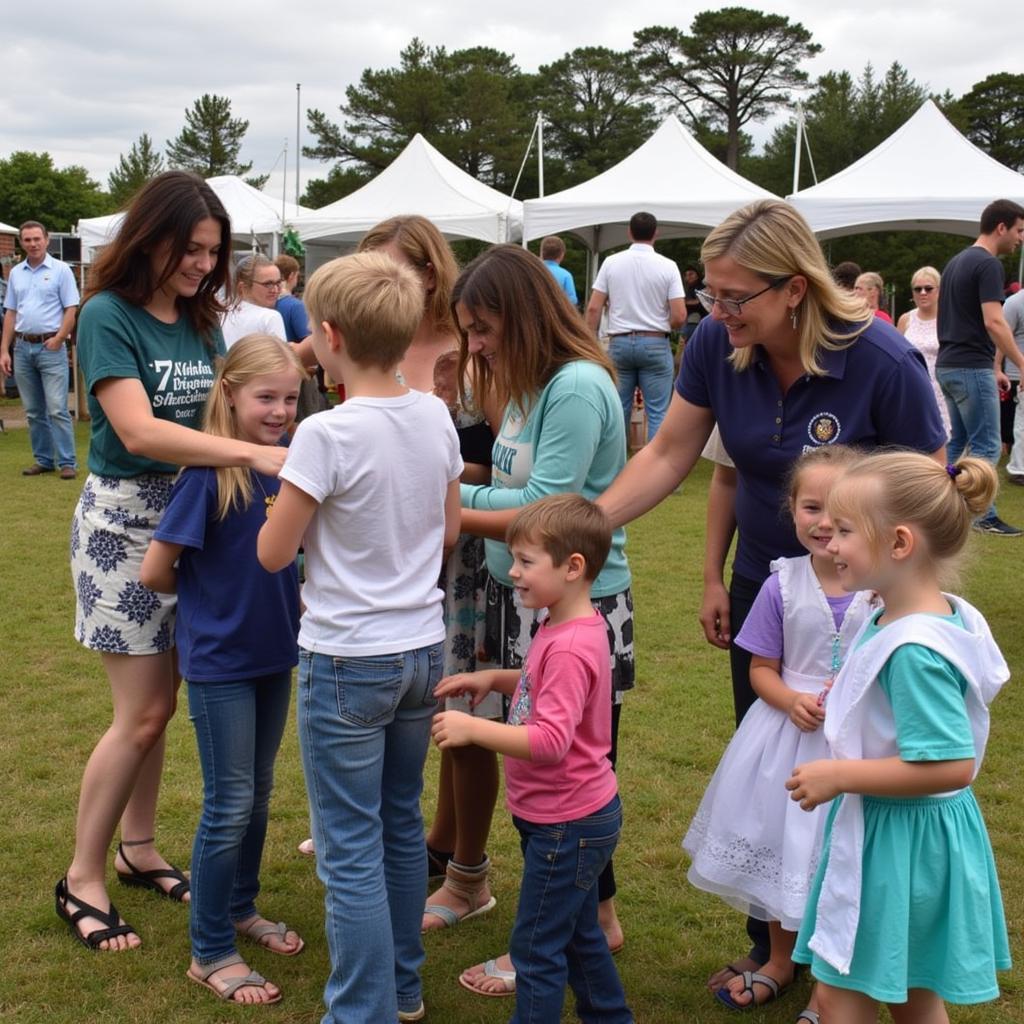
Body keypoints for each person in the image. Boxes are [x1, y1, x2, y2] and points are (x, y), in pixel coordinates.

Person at [595, 199, 946, 991]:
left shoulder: (883, 360)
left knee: (856, 773)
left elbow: (930, 487)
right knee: (778, 771)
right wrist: (589, 526)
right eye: (709, 294)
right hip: (770, 596)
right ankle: (776, 946)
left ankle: (844, 964)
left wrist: (886, 588)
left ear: (795, 288)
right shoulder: (720, 345)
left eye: (732, 296)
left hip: (865, 611)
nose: (714, 312)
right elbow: (671, 455)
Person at [58, 170, 287, 953]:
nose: (201, 265)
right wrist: (254, 458)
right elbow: (143, 430)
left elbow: (224, 399)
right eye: (190, 249)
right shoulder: (107, 316)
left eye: (212, 252)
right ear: (148, 237)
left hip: (198, 523)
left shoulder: (197, 319)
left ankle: (138, 847)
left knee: (163, 705)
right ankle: (82, 876)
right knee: (144, 712)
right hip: (127, 526)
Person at [256, 250, 462, 1024]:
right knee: (400, 825)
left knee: (348, 848)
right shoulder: (435, 414)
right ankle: (400, 992)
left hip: (347, 657)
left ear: (330, 335)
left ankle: (362, 1010)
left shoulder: (325, 433)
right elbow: (446, 529)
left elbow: (275, 551)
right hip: (420, 649)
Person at [439, 244, 635, 995]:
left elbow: (547, 506)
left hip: (585, 604)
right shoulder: (525, 384)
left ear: (521, 317)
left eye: (484, 328)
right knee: (565, 779)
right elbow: (507, 478)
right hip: (531, 600)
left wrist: (450, 503)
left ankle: (549, 940)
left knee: (572, 779)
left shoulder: (579, 387)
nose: (477, 345)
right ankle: (594, 924)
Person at [788, 452, 1011, 1022]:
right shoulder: (909, 611)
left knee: (843, 995)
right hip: (904, 836)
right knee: (913, 992)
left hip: (902, 842)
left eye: (842, 531)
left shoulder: (915, 650)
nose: (828, 542)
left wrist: (841, 774)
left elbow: (951, 765)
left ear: (900, 544)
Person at [138, 335, 305, 1003]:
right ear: (230, 394)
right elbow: (156, 570)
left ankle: (241, 907)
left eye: (290, 398)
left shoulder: (286, 469)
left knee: (258, 794)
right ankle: (209, 950)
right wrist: (214, 602)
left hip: (275, 654)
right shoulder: (207, 475)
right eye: (266, 397)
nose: (280, 410)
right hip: (219, 664)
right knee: (229, 802)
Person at [684, 445, 873, 1019]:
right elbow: (760, 669)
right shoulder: (781, 585)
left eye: (840, 513)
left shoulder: (880, 587)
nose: (824, 524)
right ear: (789, 510)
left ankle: (830, 985)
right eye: (811, 507)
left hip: (856, 746)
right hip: (785, 745)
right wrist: (791, 699)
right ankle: (779, 958)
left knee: (840, 858)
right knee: (779, 846)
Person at [432, 494, 633, 1024]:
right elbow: (541, 687)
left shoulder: (568, 645)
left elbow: (549, 741)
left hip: (568, 823)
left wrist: (471, 727)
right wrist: (493, 679)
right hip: (565, 818)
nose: (513, 572)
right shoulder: (563, 625)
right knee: (578, 934)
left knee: (537, 947)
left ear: (573, 568)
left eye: (525, 561)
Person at [352, 216, 504, 910]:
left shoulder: (471, 348)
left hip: (458, 551)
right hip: (385, 552)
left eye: (398, 272)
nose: (387, 286)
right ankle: (419, 837)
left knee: (459, 699)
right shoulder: (364, 341)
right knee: (394, 694)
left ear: (432, 270)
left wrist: (425, 469)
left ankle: (466, 867)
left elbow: (493, 456)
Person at [937, 198, 1024, 536]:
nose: (1020, 239)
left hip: (949, 366)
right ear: (1000, 227)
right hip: (970, 368)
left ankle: (945, 507)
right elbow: (994, 322)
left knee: (958, 444)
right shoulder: (988, 264)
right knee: (987, 446)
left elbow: (965, 321)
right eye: (1018, 231)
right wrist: (1019, 363)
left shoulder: (956, 262)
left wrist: (996, 367)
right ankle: (983, 516)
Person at [585, 211, 686, 442]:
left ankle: (614, 470)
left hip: (619, 342)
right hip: (655, 342)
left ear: (629, 232)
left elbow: (593, 308)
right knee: (658, 412)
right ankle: (655, 472)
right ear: (656, 234)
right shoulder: (668, 266)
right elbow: (680, 315)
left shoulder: (611, 263)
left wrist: (589, 339)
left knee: (618, 410)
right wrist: (661, 325)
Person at [0, 220, 80, 478]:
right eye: (27, 240)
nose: (32, 244)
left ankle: (67, 462)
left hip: (51, 347)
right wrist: (4, 350)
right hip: (22, 348)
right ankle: (44, 459)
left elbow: (71, 309)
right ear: (21, 243)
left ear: (46, 240)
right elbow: (11, 313)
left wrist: (59, 338)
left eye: (37, 239)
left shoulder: (61, 271)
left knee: (57, 408)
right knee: (34, 411)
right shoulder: (16, 274)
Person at [897, 266, 949, 437]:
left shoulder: (948, 318)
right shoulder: (905, 320)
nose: (923, 293)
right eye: (918, 289)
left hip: (942, 388)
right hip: (913, 386)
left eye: (928, 288)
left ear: (939, 291)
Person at [275, 253, 327, 421]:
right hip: (301, 374)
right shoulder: (295, 306)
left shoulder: (272, 304)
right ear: (291, 276)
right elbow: (310, 338)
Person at [221, 254, 287, 349]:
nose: (276, 290)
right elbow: (280, 362)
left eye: (278, 283)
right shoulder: (270, 317)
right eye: (268, 284)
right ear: (243, 287)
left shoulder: (221, 313)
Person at [1003, 286, 1024, 484]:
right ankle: (1019, 468)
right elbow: (1000, 336)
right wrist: (996, 369)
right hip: (1018, 373)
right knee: (1022, 422)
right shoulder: (1015, 302)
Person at [540, 235, 578, 306]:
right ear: (562, 255)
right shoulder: (566, 275)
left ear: (542, 253)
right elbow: (572, 300)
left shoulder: (534, 270)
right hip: (556, 314)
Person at [682, 264, 707, 341]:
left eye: (691, 274)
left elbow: (699, 302)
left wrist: (683, 302)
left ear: (697, 275)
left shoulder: (701, 286)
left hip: (696, 321)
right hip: (689, 322)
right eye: (686, 275)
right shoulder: (690, 289)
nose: (688, 277)